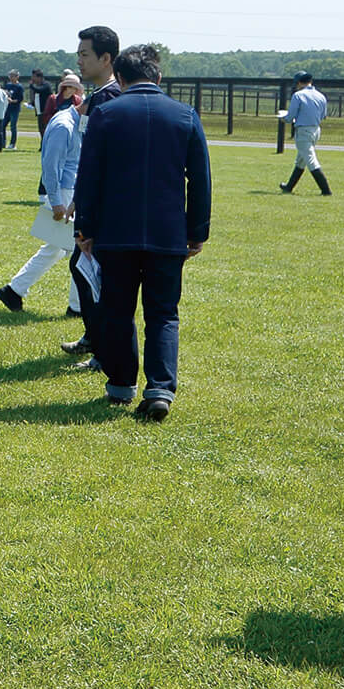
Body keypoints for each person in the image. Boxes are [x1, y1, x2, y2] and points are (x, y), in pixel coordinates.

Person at [74, 44, 211, 420]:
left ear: (119, 77)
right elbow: (199, 179)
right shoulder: (185, 115)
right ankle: (160, 388)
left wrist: (84, 226)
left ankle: (120, 384)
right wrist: (197, 230)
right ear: (159, 77)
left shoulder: (105, 113)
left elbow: (89, 177)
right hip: (168, 233)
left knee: (117, 310)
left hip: (115, 232)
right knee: (163, 313)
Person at [0, 72, 85, 313]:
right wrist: (56, 202)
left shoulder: (77, 121)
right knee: (78, 249)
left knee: (58, 248)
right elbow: (50, 167)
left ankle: (14, 290)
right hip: (64, 193)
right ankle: (76, 307)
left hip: (70, 191)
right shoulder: (63, 126)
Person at [60, 25, 123, 362]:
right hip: (90, 198)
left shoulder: (111, 99)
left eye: (85, 54)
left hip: (104, 207)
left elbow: (104, 160)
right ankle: (94, 336)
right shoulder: (98, 97)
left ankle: (102, 345)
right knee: (82, 267)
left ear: (106, 58)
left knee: (89, 270)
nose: (79, 61)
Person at [281, 72, 331, 195]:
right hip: (316, 130)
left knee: (310, 160)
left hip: (303, 130)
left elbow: (290, 116)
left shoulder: (298, 96)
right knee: (301, 160)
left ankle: (326, 190)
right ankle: (289, 187)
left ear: (298, 83)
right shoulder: (321, 96)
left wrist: (283, 117)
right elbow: (323, 116)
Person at [2, 70, 26, 150]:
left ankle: (12, 144)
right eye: (10, 76)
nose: (11, 78)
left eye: (13, 76)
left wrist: (12, 101)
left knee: (13, 126)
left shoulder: (19, 87)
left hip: (14, 109)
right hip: (7, 108)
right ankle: (2, 142)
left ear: (17, 77)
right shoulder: (8, 85)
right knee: (2, 125)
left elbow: (20, 99)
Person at [28, 69, 54, 140]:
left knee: (45, 129)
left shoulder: (46, 85)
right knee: (41, 129)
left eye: (34, 77)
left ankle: (46, 144)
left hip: (46, 111)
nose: (32, 79)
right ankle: (42, 144)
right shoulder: (37, 86)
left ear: (39, 77)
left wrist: (31, 85)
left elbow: (39, 90)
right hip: (39, 111)